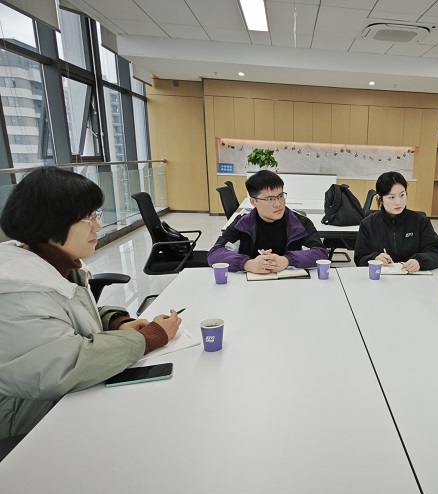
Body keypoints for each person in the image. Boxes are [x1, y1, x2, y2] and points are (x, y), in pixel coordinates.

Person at [0, 167, 181, 439]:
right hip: (19, 417)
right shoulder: (18, 292)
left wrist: (117, 323)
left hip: (47, 397)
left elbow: (72, 316)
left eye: (95, 215)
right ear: (49, 221)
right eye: (87, 218)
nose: (97, 226)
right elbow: (68, 367)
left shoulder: (57, 265)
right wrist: (148, 338)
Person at [208, 170, 327, 273]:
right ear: (254, 202)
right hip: (250, 286)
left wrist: (287, 260)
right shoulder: (243, 224)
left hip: (291, 285)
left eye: (280, 196)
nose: (278, 204)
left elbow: (320, 253)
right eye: (270, 199)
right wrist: (248, 264)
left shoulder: (300, 223)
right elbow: (215, 253)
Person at [354, 171, 438, 271]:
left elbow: (437, 253)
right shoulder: (368, 224)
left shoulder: (420, 222)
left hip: (413, 277)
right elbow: (359, 259)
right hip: (381, 277)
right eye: (391, 197)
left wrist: (420, 262)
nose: (398, 202)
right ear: (380, 199)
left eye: (402, 195)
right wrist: (375, 258)